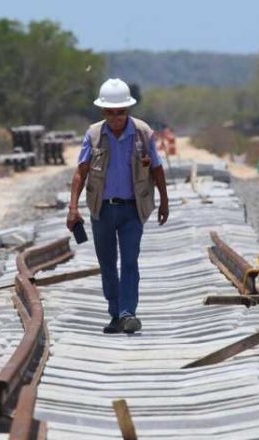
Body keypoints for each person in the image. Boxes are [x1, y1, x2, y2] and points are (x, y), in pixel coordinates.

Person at [66, 78, 169, 334]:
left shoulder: (143, 133)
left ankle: (128, 313)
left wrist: (165, 201)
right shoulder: (93, 134)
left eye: (120, 112)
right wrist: (72, 207)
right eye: (110, 113)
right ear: (103, 111)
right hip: (102, 210)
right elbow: (81, 171)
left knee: (130, 260)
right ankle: (115, 313)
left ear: (128, 110)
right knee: (108, 263)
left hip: (132, 210)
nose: (116, 118)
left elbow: (157, 168)